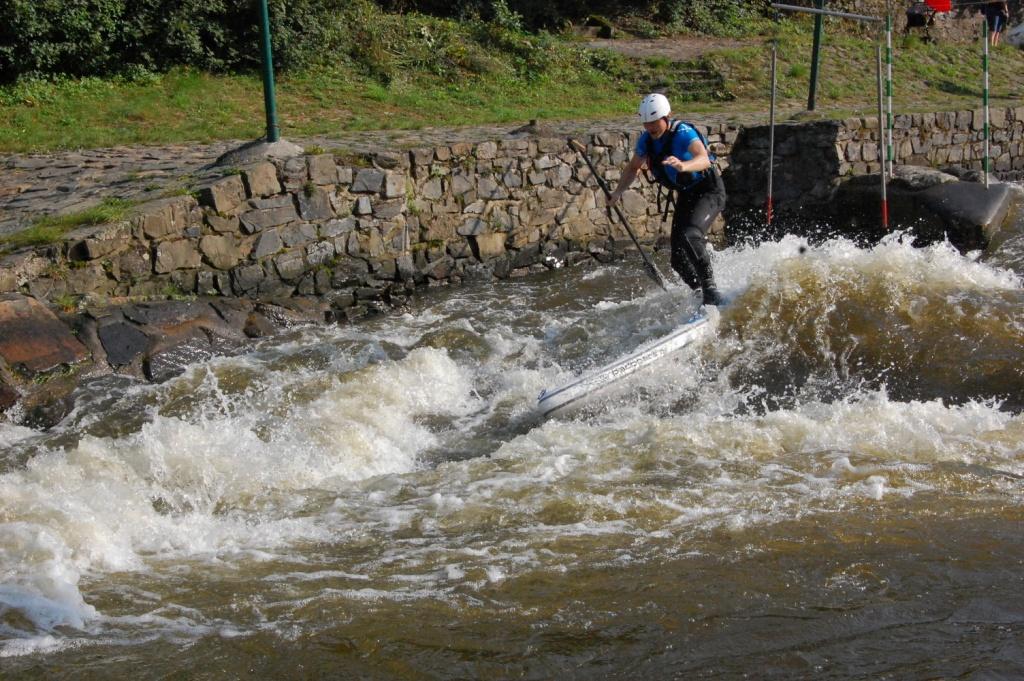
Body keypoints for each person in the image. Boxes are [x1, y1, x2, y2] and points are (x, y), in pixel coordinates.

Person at [608, 93, 725, 306]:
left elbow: (703, 158)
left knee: (691, 236)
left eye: (654, 122)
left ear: (667, 117)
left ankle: (712, 292)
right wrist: (618, 192)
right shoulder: (646, 140)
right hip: (688, 194)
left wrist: (684, 166)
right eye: (646, 123)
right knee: (678, 260)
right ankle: (699, 293)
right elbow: (633, 167)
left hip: (709, 191)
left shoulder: (683, 133)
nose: (651, 128)